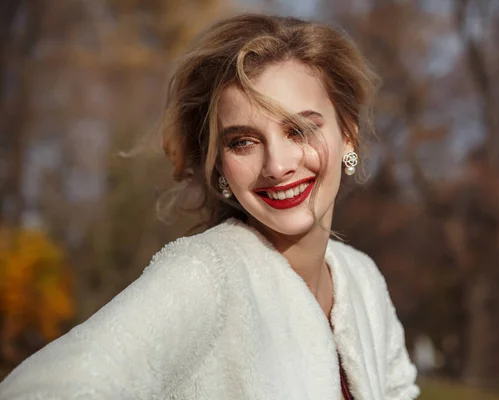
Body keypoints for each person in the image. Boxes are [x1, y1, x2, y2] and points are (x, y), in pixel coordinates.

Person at [0, 14, 419, 400]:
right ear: (219, 165)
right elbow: (46, 389)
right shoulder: (205, 274)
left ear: (347, 134)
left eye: (300, 129)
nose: (276, 165)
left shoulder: (360, 280)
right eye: (243, 141)